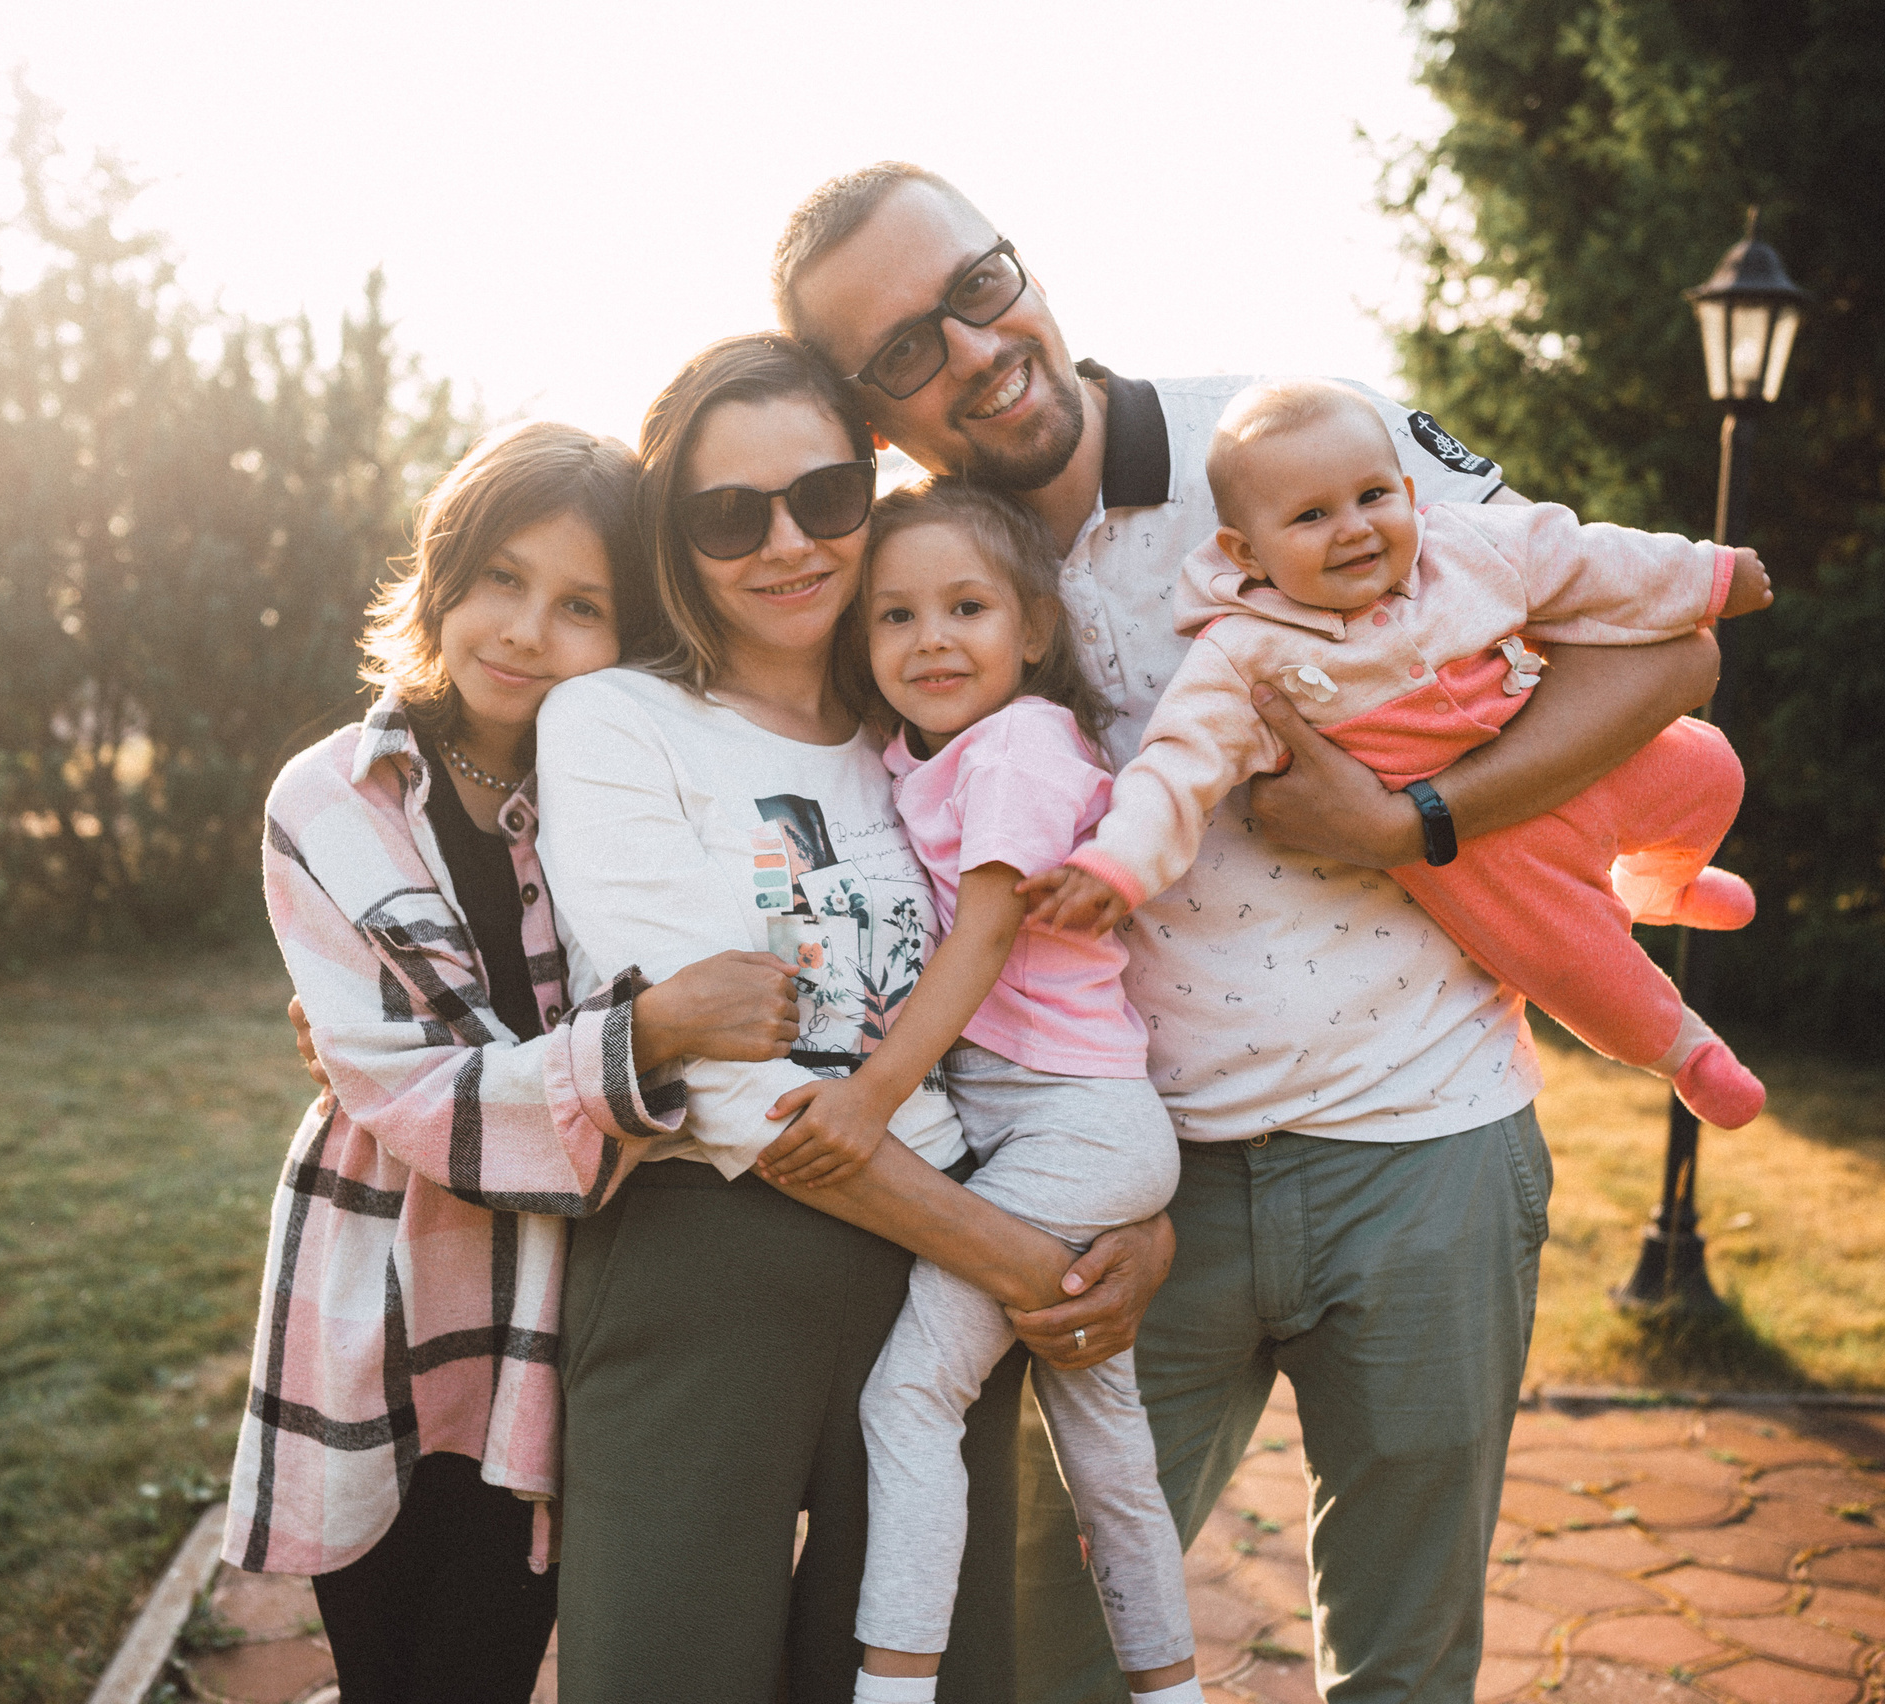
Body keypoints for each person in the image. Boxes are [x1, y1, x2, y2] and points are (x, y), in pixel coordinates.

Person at [772, 162, 1725, 1704]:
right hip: (1140, 1189)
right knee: (1053, 1649)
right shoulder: (920, 586)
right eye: (901, 351)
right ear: (873, 413)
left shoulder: (1299, 436)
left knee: (1405, 1665)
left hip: (1429, 1146)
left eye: (977, 282)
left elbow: (1666, 656)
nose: (970, 346)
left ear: (1020, 263)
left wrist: (1418, 823)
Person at [532, 334, 1111, 1704]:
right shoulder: (617, 722)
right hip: (715, 1268)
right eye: (732, 515)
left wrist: (1105, 1225)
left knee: (928, 1677)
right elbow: (737, 1079)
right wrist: (1023, 1258)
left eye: (826, 498)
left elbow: (1053, 1003)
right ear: (676, 536)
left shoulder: (930, 728)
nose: (788, 543)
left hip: (935, 1296)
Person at [220, 421, 806, 1704]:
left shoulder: (628, 798)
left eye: (580, 604)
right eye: (501, 577)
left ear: (632, 631)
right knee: (389, 1671)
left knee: (480, 1669)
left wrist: (636, 1059)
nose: (527, 629)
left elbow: (710, 1066)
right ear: (444, 573)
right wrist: (644, 1039)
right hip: (381, 1283)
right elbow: (421, 1089)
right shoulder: (331, 799)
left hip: (555, 1307)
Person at [1034, 378, 1774, 1129]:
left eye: (1372, 496)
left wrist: (1710, 576)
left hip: (1552, 752)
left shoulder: (1464, 548)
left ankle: (1662, 885)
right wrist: (1116, 865)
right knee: (1574, 963)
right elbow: (1175, 768)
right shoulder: (1243, 654)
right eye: (1312, 516)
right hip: (1481, 857)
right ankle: (1687, 1054)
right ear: (1245, 552)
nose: (1353, 528)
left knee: (1708, 769)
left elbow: (1589, 559)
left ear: (1410, 494)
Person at [750, 479, 1197, 1704]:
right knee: (1104, 1439)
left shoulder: (1019, 749)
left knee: (910, 1395)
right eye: (894, 617)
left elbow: (983, 936)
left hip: (1072, 1121)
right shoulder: (916, 755)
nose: (931, 638)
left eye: (966, 607)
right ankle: (1171, 1687)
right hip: (1042, 1129)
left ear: (1034, 630)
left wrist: (872, 1097)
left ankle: (893, 1684)